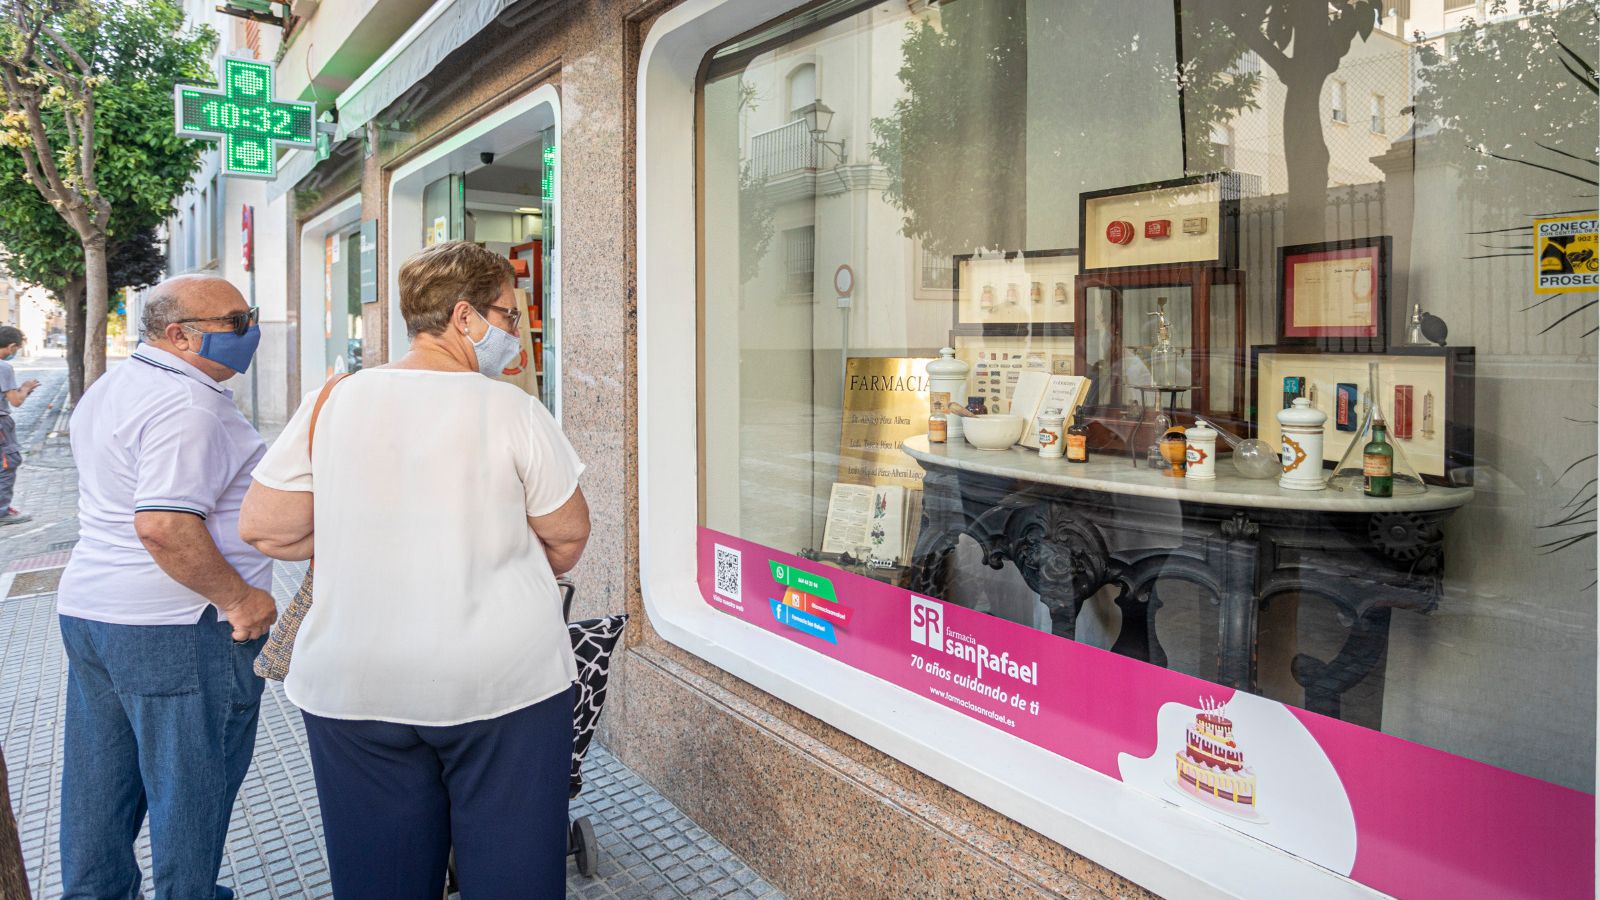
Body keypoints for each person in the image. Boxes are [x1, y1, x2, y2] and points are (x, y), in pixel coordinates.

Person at [241, 240, 590, 900]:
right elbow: (568, 536)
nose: (514, 335)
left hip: (353, 686)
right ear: (465, 317)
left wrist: (370, 532)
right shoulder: (512, 409)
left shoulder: (333, 399)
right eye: (509, 316)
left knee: (381, 879)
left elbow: (264, 526)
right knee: (514, 877)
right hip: (503, 685)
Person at [55, 275, 277, 900]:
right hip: (176, 628)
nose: (250, 330)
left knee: (102, 781)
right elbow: (163, 523)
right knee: (190, 789)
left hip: (94, 615)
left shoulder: (118, 386)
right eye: (236, 321)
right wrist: (240, 598)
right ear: (179, 335)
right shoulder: (188, 404)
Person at [0, 326, 41, 525]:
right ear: (11, 346)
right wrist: (25, 388)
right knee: (8, 462)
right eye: (15, 349)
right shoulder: (3, 367)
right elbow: (15, 400)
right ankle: (2, 512)